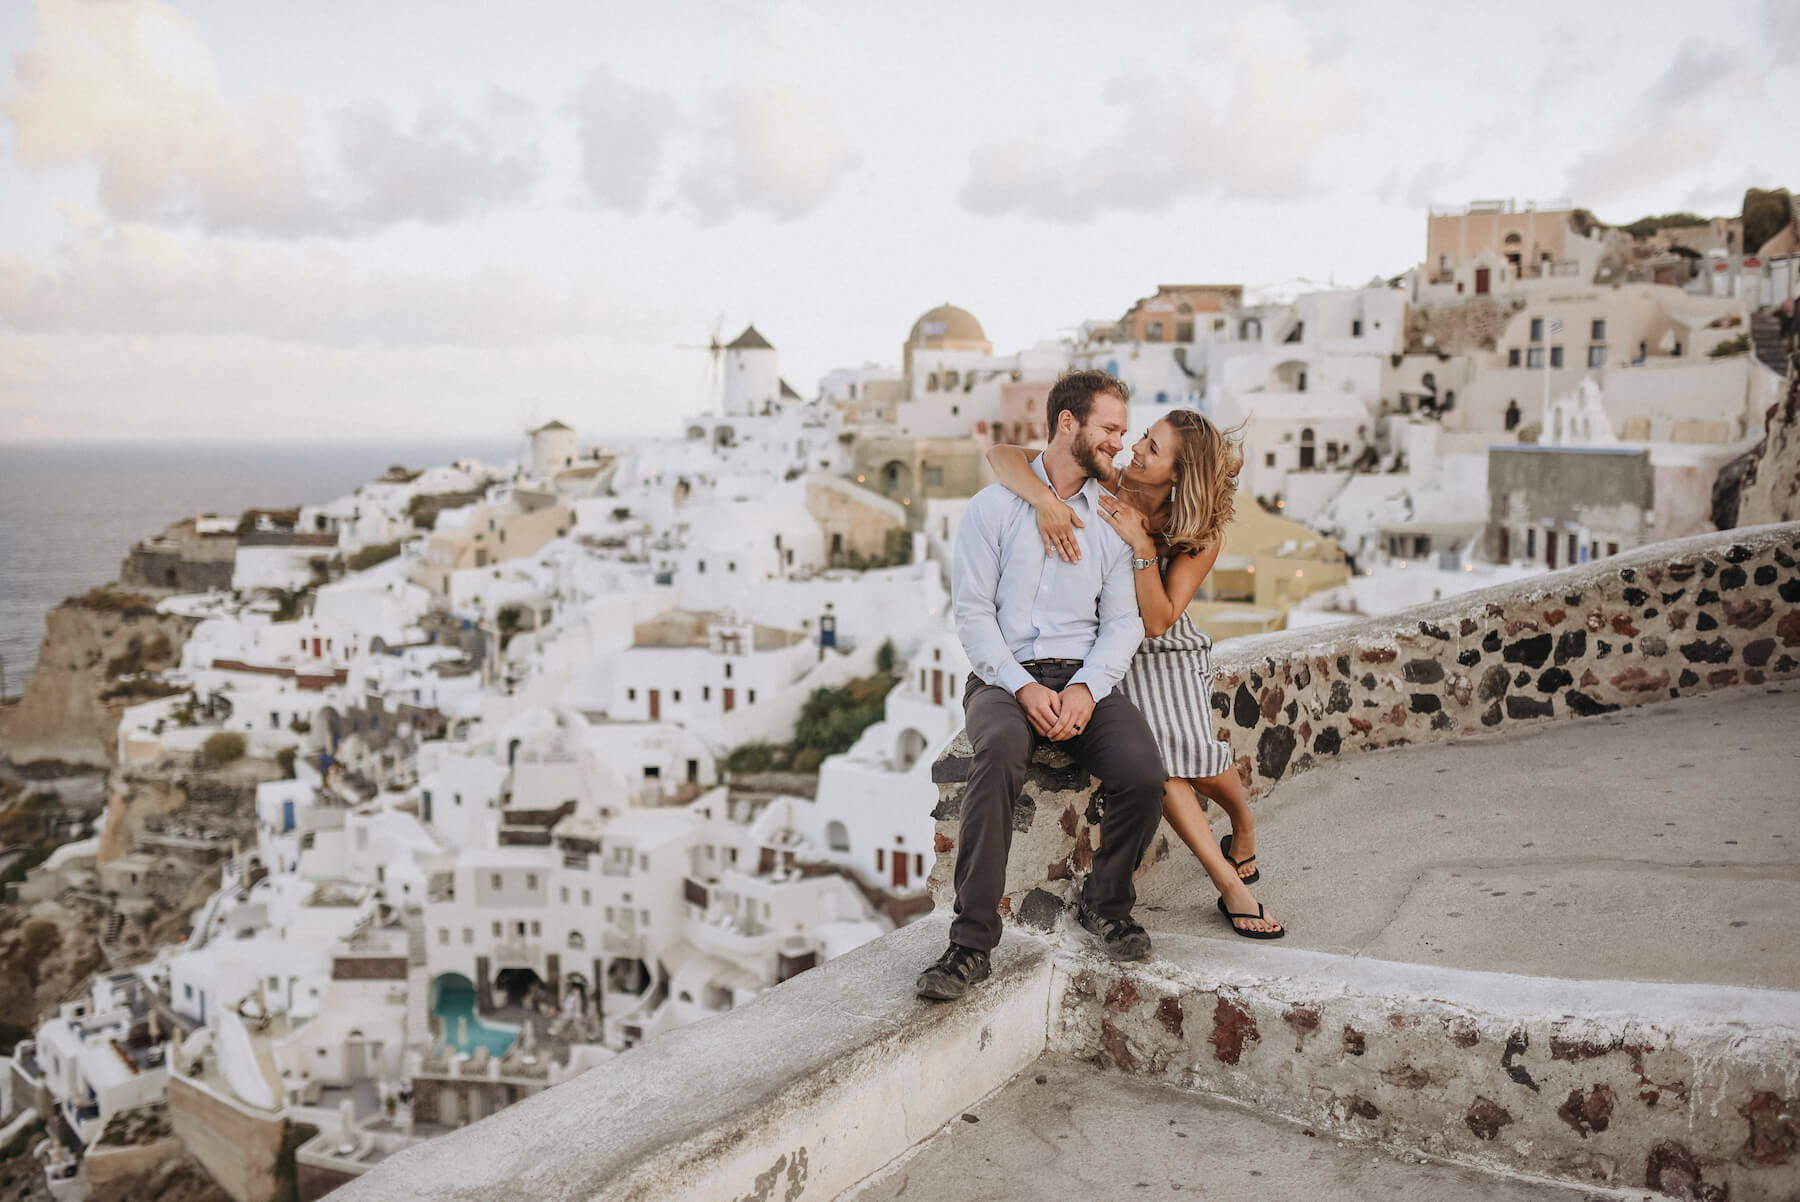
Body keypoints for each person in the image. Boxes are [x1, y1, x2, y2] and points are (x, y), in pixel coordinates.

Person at [916, 370, 1170, 1002]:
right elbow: (972, 615)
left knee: (1143, 770)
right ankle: (971, 944)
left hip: (1084, 675)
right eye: (1109, 427)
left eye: (1122, 429)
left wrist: (1085, 690)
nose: (1119, 440)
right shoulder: (993, 508)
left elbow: (1122, 622)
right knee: (998, 753)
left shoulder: (1113, 518)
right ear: (1067, 424)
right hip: (1004, 678)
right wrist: (1024, 690)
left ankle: (1106, 903)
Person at [985, 408, 1284, 938]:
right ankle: (1230, 885)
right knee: (1161, 761)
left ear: (1179, 475)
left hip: (1163, 643)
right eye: (1144, 436)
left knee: (1200, 759)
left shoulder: (1198, 532)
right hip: (1102, 644)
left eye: (1153, 447)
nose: (1137, 447)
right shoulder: (1107, 477)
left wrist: (1144, 546)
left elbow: (1159, 619)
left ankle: (1242, 821)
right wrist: (1046, 502)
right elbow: (1002, 458)